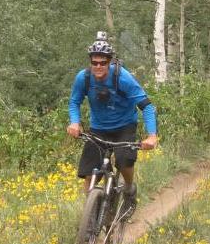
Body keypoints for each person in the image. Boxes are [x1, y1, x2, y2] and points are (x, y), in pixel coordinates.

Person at [67, 31, 158, 216]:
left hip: (124, 126)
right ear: (90, 61)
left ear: (110, 62)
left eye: (103, 62)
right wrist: (74, 123)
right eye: (95, 62)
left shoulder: (122, 77)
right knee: (89, 172)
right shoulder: (83, 78)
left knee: (125, 160)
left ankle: (130, 189)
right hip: (98, 129)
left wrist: (152, 136)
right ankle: (90, 216)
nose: (98, 66)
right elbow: (74, 101)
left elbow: (146, 106)